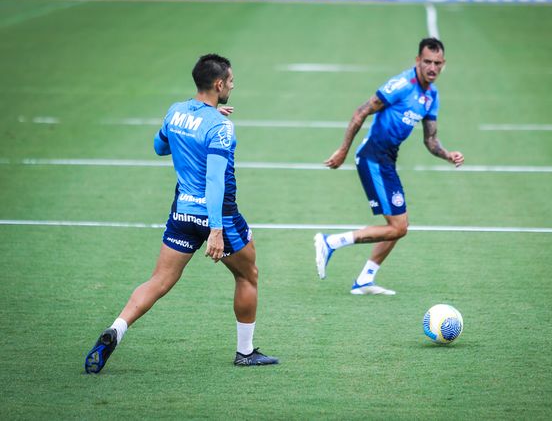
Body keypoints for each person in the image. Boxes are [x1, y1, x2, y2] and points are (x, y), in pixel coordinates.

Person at [85, 54, 278, 372]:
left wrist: (203, 122)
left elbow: (160, 147)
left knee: (159, 280)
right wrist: (216, 229)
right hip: (220, 217)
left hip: (183, 213)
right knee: (248, 275)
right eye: (230, 81)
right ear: (218, 84)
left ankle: (117, 328)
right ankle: (245, 352)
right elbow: (215, 181)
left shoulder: (175, 112)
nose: (233, 84)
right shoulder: (221, 127)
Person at [314, 38, 464, 295]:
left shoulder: (431, 96)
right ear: (417, 60)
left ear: (443, 64)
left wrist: (447, 155)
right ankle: (331, 242)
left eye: (437, 63)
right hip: (373, 158)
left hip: (387, 161)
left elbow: (430, 140)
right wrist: (342, 151)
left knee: (399, 226)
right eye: (427, 61)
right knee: (398, 227)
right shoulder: (401, 86)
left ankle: (364, 280)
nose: (432, 67)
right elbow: (361, 111)